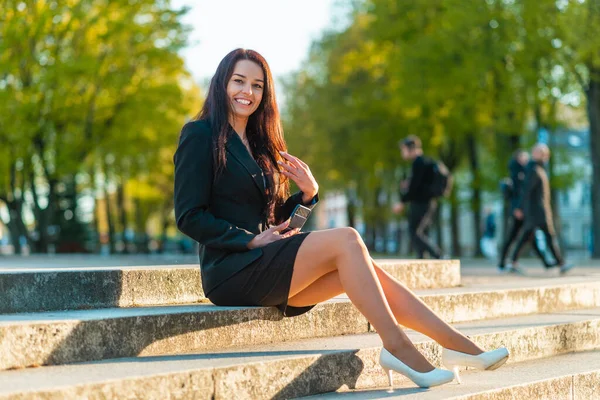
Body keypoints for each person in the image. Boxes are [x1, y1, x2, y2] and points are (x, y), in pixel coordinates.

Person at [174, 48, 508, 389]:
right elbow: (188, 216)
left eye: (257, 85)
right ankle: (397, 346)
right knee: (348, 238)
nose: (248, 92)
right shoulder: (199, 135)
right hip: (231, 270)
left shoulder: (261, 145)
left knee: (369, 272)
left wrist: (307, 196)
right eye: (239, 81)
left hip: (267, 263)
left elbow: (279, 222)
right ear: (221, 84)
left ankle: (456, 345)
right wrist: (248, 239)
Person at [508, 143, 574, 274]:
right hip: (537, 211)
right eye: (541, 153)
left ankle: (513, 262)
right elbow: (526, 191)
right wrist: (519, 208)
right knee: (546, 236)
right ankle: (561, 263)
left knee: (527, 236)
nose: (545, 156)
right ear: (535, 154)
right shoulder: (534, 170)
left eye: (545, 153)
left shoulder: (538, 169)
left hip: (538, 210)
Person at [497, 150, 548, 272]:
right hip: (519, 211)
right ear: (518, 158)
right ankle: (503, 263)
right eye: (524, 157)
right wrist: (517, 208)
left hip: (523, 210)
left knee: (530, 237)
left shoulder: (523, 172)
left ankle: (545, 262)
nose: (527, 159)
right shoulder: (517, 174)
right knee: (514, 236)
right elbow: (518, 194)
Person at [393, 136, 443, 259]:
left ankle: (437, 255)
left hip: (421, 203)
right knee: (420, 231)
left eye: (403, 149)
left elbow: (415, 188)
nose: (402, 153)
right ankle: (422, 257)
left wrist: (402, 202)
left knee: (414, 231)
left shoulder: (418, 163)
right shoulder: (424, 162)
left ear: (410, 149)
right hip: (428, 202)